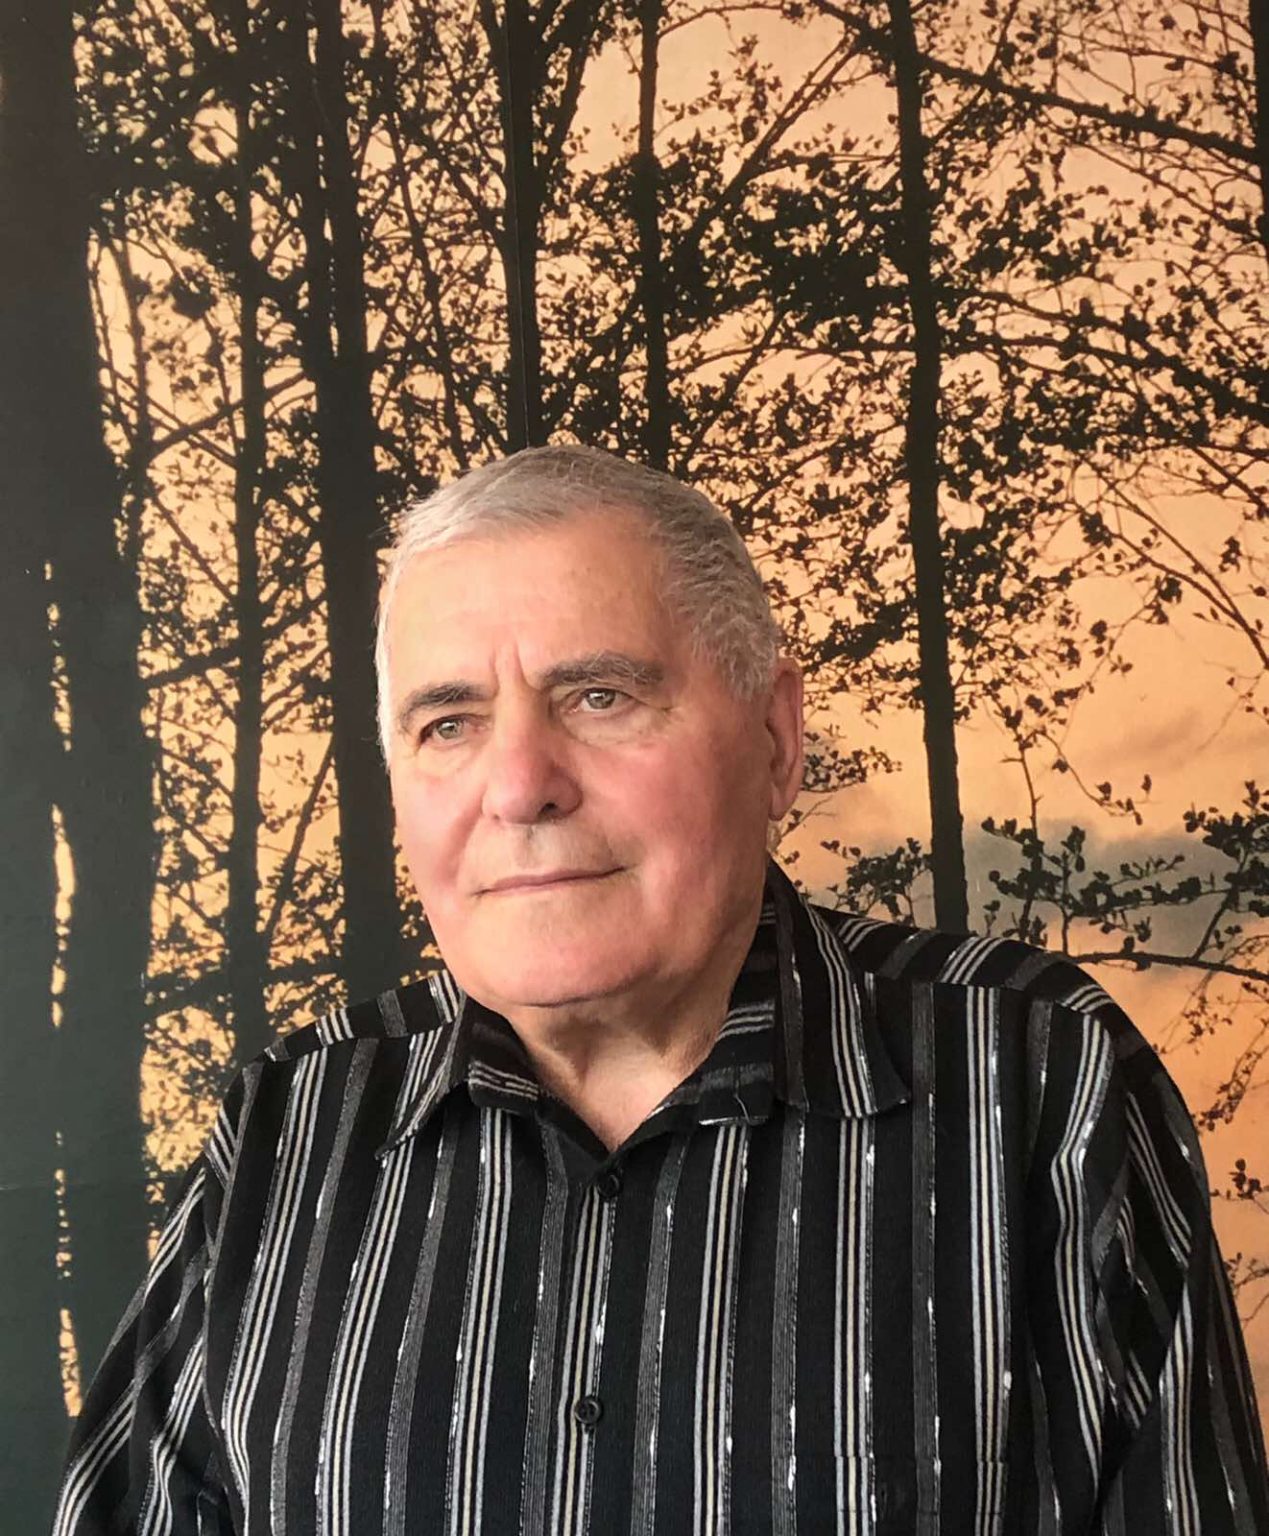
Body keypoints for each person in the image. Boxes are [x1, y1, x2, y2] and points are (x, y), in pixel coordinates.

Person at [54, 445, 1268, 1534]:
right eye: (449, 723)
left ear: (776, 740)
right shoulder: (287, 1125)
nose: (518, 786)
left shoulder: (1045, 1084)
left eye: (601, 698)